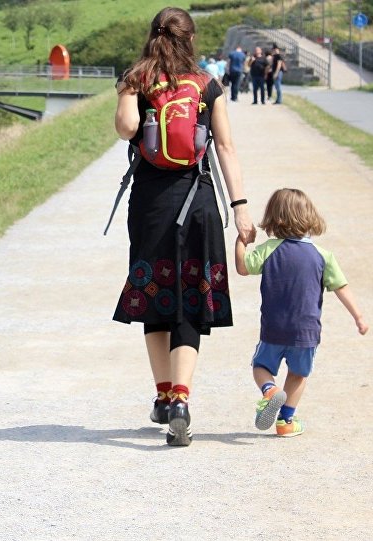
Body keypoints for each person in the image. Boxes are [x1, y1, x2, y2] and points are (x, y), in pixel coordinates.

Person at [114, 7, 254, 447]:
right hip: (199, 202)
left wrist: (127, 88)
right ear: (190, 40)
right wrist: (241, 208)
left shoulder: (138, 79)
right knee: (190, 298)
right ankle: (179, 400)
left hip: (151, 204)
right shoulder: (207, 84)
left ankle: (162, 394)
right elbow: (226, 148)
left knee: (154, 294)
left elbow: (126, 129)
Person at [234, 188, 367, 437]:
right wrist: (358, 316)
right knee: (298, 374)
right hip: (306, 332)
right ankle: (286, 421)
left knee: (260, 365)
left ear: (273, 218)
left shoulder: (269, 249)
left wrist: (242, 241)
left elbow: (243, 267)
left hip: (274, 329)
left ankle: (270, 390)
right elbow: (341, 287)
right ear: (310, 216)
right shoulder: (322, 256)